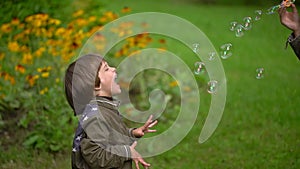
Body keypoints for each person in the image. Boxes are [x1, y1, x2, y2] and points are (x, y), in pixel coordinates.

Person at [64, 53, 158, 169]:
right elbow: (96, 155)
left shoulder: (103, 109)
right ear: (96, 85)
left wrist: (132, 133)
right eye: (106, 69)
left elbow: (111, 137)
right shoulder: (97, 117)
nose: (114, 69)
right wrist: (127, 151)